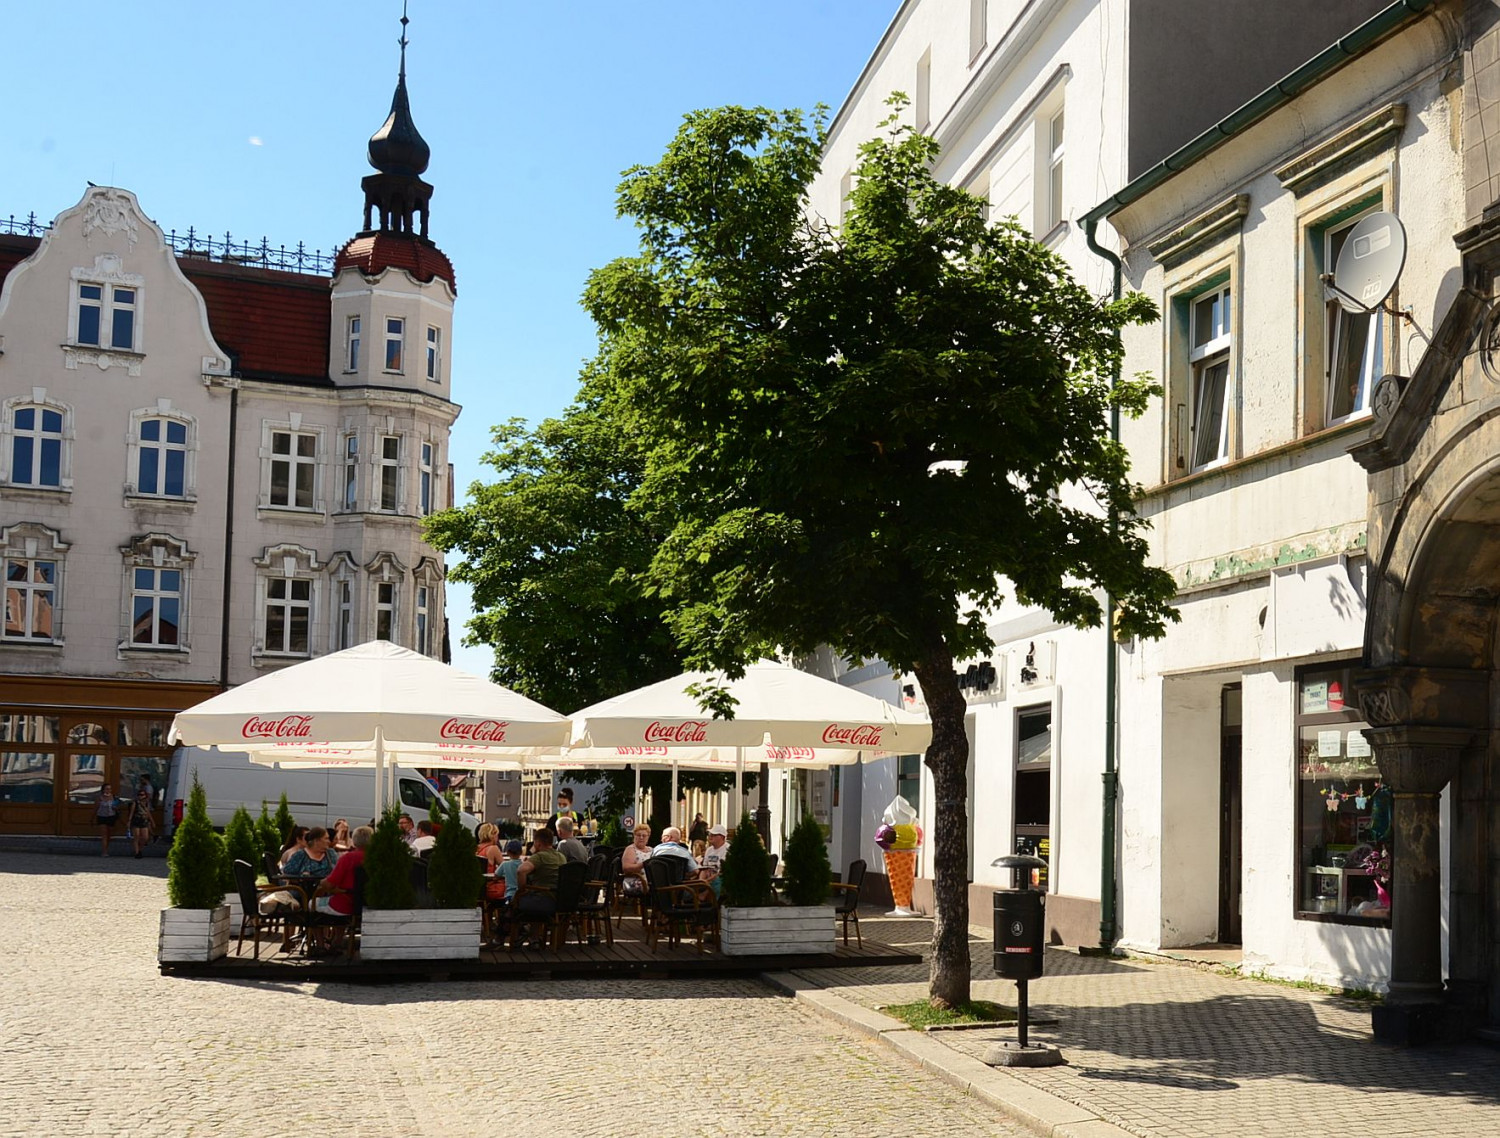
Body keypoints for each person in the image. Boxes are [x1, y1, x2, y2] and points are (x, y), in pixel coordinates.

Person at [515, 829, 566, 924]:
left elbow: (521, 871)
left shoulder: (539, 856)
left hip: (543, 900)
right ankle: (534, 935)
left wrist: (522, 890)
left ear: (538, 843)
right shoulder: (561, 856)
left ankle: (507, 935)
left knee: (513, 904)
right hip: (559, 900)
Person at [620, 824, 653, 895]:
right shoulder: (631, 849)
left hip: (651, 880)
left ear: (648, 837)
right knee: (656, 888)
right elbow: (626, 868)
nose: (641, 837)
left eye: (644, 836)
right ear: (634, 836)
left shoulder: (651, 850)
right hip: (635, 880)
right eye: (638, 835)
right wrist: (643, 864)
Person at [126, 789, 155, 859]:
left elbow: (148, 812)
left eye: (142, 795)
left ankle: (140, 849)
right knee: (137, 836)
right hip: (136, 820)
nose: (140, 796)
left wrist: (152, 821)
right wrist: (129, 821)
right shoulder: (135, 803)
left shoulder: (146, 803)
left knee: (145, 837)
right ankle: (137, 853)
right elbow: (132, 812)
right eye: (139, 795)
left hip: (144, 821)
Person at [95, 783, 121, 857]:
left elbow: (118, 807)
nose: (108, 790)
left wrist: (116, 808)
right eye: (107, 789)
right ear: (103, 790)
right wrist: (92, 817)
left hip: (111, 817)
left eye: (110, 789)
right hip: (101, 816)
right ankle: (104, 851)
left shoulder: (114, 797)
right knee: (104, 835)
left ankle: (106, 847)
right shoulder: (99, 798)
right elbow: (96, 808)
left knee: (109, 835)